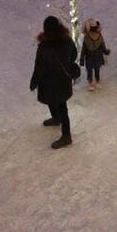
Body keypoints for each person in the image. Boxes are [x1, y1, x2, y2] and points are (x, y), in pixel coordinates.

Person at [29, 16, 79, 150]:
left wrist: (34, 82)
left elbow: (39, 67)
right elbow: (74, 55)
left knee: (56, 103)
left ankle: (66, 135)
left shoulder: (44, 47)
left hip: (48, 82)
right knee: (61, 105)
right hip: (63, 80)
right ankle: (58, 121)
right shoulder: (67, 40)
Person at [78, 18, 111, 92]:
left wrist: (82, 59)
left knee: (89, 71)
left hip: (89, 57)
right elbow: (103, 46)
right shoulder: (99, 36)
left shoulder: (86, 38)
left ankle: (90, 83)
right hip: (98, 56)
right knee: (97, 70)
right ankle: (97, 81)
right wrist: (106, 51)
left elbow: (84, 50)